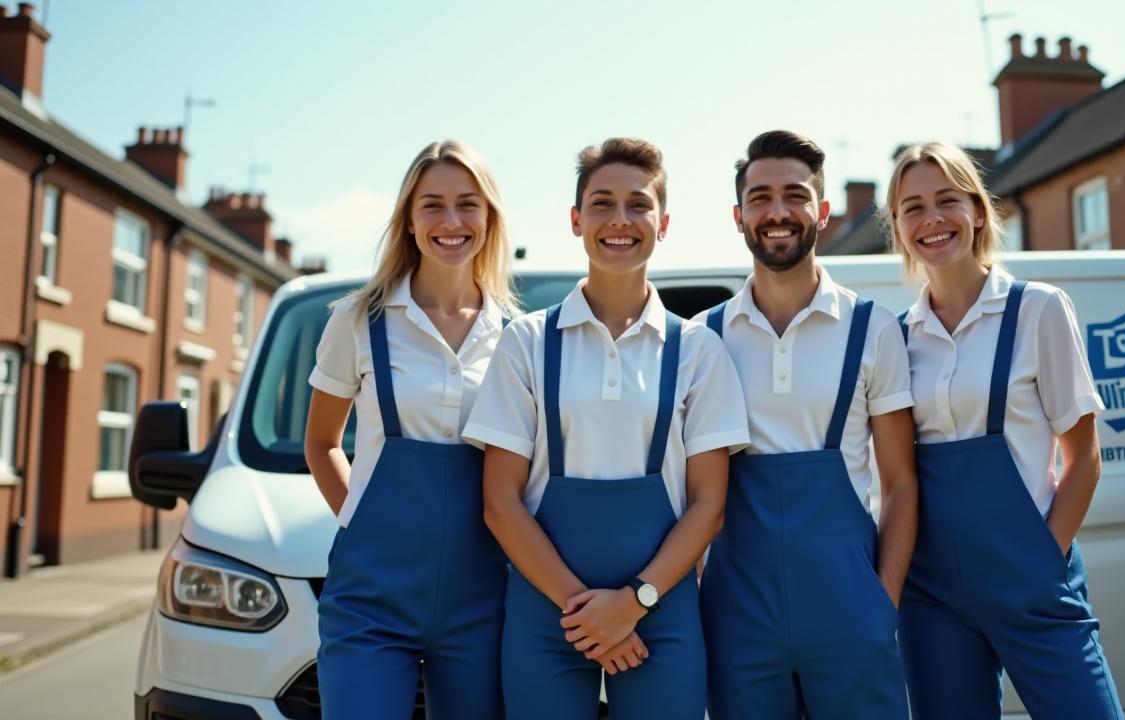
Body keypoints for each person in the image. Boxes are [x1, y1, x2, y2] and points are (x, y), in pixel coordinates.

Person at [464, 137, 749, 720]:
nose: (620, 220)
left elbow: (709, 506)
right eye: (602, 203)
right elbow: (499, 501)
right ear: (575, 219)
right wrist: (593, 615)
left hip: (663, 610)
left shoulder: (698, 349)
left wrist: (634, 603)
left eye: (638, 205)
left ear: (663, 223)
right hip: (545, 614)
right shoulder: (527, 342)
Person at [887, 141, 1123, 719]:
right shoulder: (894, 337)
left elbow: (1083, 453)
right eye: (913, 207)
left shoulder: (1038, 309)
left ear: (979, 212)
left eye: (947, 200)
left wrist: (1046, 557)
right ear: (896, 228)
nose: (932, 219)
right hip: (932, 593)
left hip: (1031, 579)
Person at [697, 130, 917, 719]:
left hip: (850, 614)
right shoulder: (704, 338)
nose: (777, 211)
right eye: (760, 196)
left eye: (794, 195)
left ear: (820, 210)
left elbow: (899, 482)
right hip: (737, 618)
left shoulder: (873, 328)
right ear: (738, 215)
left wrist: (881, 604)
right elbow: (690, 493)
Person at [304, 140, 515, 719]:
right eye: (433, 205)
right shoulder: (356, 320)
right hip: (371, 597)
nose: (451, 222)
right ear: (409, 220)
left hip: (484, 596)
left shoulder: (518, 338)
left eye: (467, 204)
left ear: (489, 218)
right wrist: (361, 518)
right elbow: (321, 443)